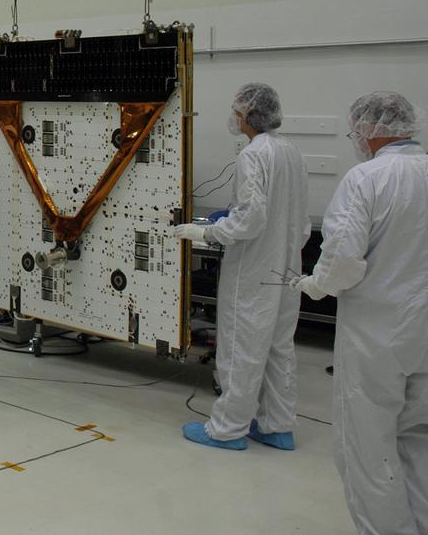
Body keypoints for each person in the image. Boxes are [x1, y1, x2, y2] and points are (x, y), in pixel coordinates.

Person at [292, 92, 427, 534]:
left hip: (378, 337)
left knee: (368, 449)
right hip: (423, 334)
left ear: (368, 130)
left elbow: (343, 261)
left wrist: (315, 285)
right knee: (419, 440)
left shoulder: (367, 178)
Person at [174, 83, 310, 451]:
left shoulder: (253, 156)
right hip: (287, 268)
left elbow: (250, 220)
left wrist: (207, 233)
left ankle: (228, 430)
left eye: (237, 112)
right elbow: (299, 220)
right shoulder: (291, 151)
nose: (233, 118)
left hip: (253, 270)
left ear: (250, 115)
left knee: (240, 349)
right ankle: (277, 426)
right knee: (280, 350)